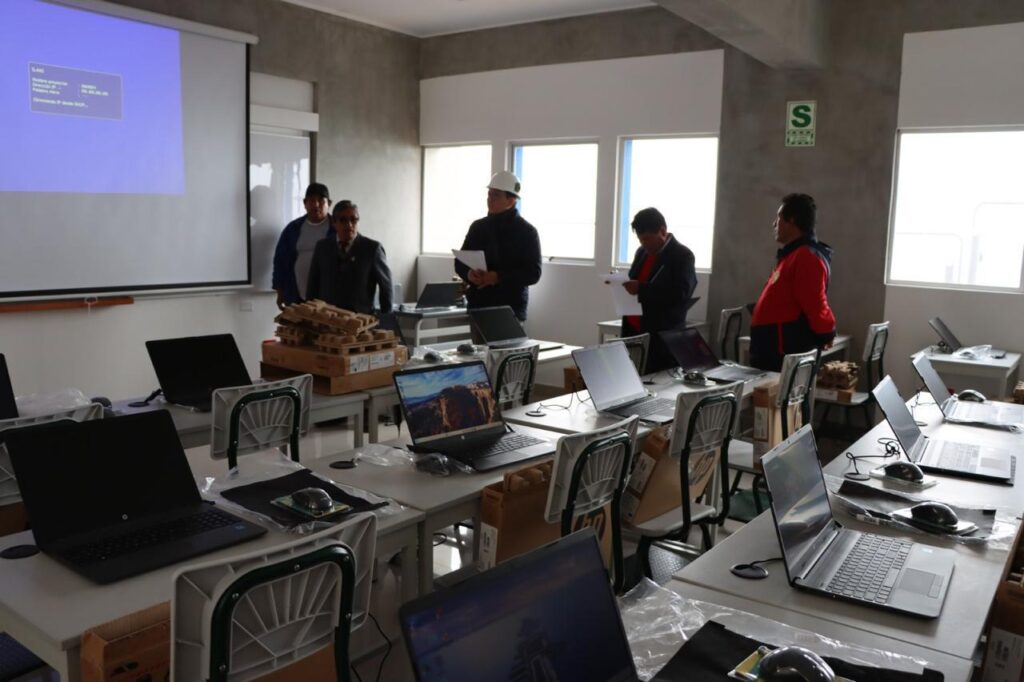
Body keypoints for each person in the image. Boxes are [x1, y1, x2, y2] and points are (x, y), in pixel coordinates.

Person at [749, 193, 836, 372]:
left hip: (784, 352)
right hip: (772, 348)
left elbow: (815, 302)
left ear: (792, 220)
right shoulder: (792, 255)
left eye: (779, 218)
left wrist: (827, 332)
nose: (774, 224)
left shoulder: (806, 256)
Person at [454, 171, 542, 322]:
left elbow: (533, 273)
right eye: (489, 194)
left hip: (510, 310)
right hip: (478, 306)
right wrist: (470, 275)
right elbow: (459, 262)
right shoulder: (478, 227)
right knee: (477, 340)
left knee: (507, 340)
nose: (490, 199)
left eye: (496, 195)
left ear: (511, 200)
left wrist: (498, 277)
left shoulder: (527, 232)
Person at [618, 208, 698, 373]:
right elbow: (634, 280)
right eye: (640, 239)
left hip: (661, 335)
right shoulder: (642, 252)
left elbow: (681, 293)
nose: (644, 244)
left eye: (647, 238)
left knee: (657, 381)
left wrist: (642, 288)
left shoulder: (682, 255)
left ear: (662, 231)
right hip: (634, 331)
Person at [306, 200, 393, 314]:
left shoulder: (372, 249)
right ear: (334, 222)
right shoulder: (322, 247)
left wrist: (385, 318)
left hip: (360, 319)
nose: (349, 225)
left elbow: (386, 288)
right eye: (343, 220)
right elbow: (313, 284)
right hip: (327, 318)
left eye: (353, 220)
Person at [271, 183, 333, 309]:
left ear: (329, 203)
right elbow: (280, 260)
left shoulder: (337, 228)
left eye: (321, 201)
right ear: (305, 203)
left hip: (329, 299)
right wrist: (280, 291)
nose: (316, 205)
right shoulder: (293, 228)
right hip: (296, 296)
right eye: (312, 200)